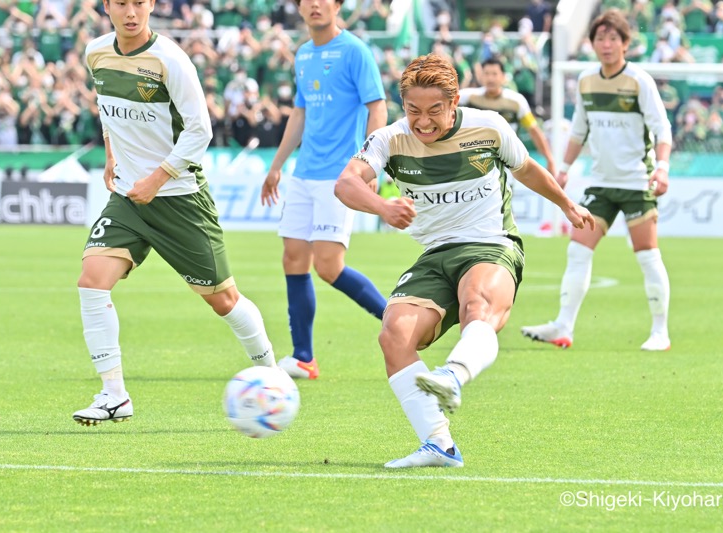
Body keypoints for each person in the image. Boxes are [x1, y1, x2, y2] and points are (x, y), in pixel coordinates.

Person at [334, 54, 594, 468]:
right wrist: (382, 207)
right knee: (394, 336)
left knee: (478, 304)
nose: (423, 122)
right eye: (414, 110)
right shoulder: (389, 139)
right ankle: (438, 443)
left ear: (454, 102)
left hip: (491, 244)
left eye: (434, 111)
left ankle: (453, 375)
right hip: (435, 254)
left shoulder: (488, 127)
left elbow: (526, 170)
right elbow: (346, 183)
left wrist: (565, 204)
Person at [73, 0, 277, 425]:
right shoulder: (96, 52)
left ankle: (272, 376)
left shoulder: (171, 60)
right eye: (122, 4)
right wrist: (112, 154)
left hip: (180, 199)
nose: (131, 12)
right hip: (129, 198)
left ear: (151, 6)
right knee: (92, 282)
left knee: (224, 300)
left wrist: (157, 179)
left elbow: (200, 129)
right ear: (107, 6)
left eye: (139, 3)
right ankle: (114, 395)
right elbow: (107, 108)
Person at [520, 9, 673, 352]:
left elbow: (663, 129)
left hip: (637, 182)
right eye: (600, 38)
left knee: (647, 256)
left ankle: (660, 332)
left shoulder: (639, 81)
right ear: (591, 43)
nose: (606, 45)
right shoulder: (587, 80)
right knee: (577, 250)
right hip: (601, 184)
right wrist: (563, 168)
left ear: (625, 43)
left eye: (613, 39)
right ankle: (563, 326)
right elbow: (579, 130)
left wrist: (662, 167)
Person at [260, 0, 388, 380]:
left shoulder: (355, 51)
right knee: (294, 258)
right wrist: (277, 166)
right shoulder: (302, 54)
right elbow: (299, 114)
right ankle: (303, 357)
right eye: (307, 0)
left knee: (329, 267)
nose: (314, 5)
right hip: (303, 174)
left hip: (339, 175)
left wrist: (370, 162)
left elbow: (378, 108)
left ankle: (397, 319)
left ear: (337, 5)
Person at [459, 57, 556, 177]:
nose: (490, 78)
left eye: (495, 74)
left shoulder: (516, 102)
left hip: (506, 163)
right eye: (487, 74)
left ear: (503, 77)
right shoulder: (467, 97)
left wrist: (549, 159)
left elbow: (534, 130)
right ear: (481, 76)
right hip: (473, 161)